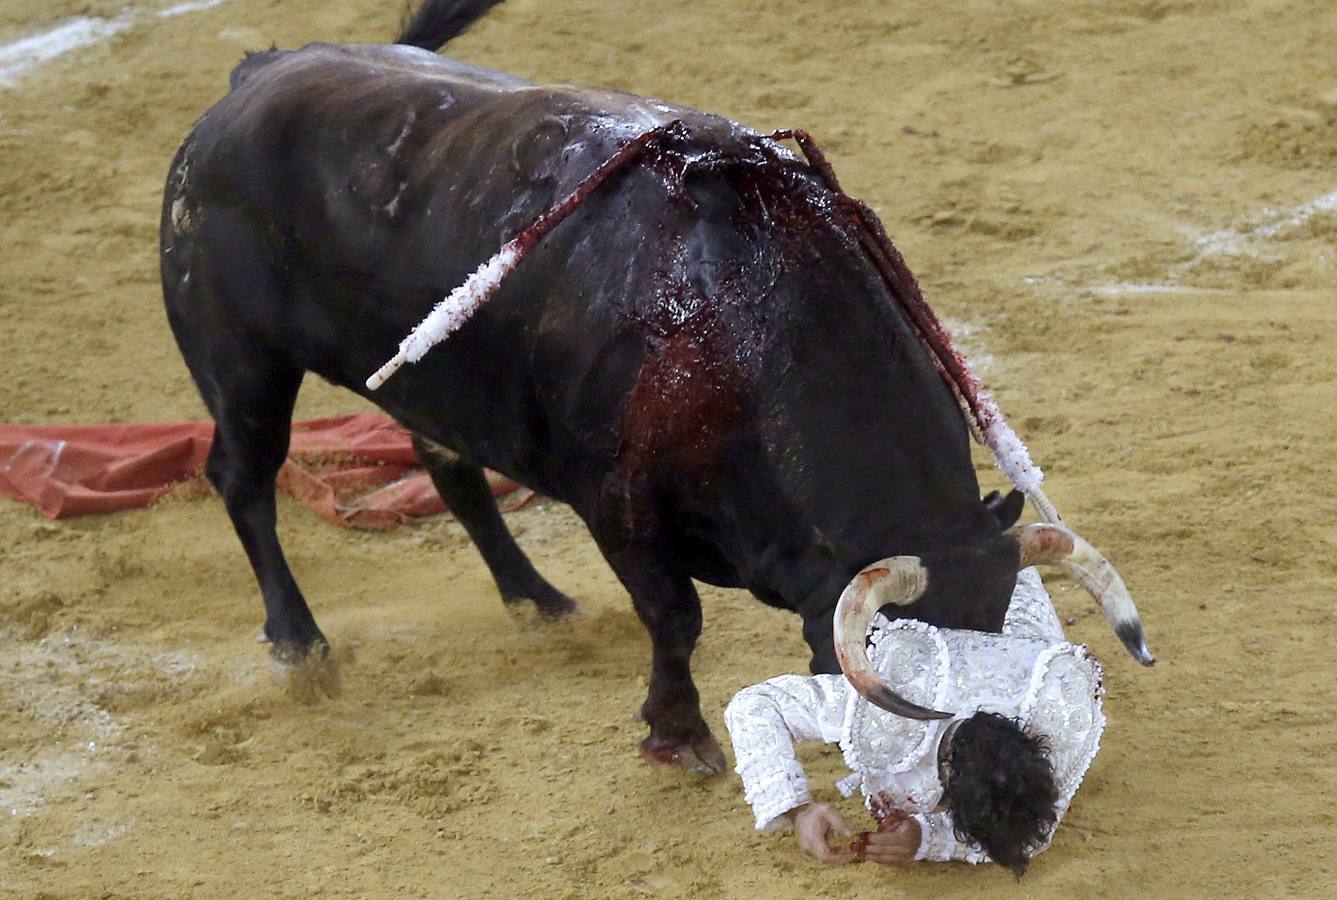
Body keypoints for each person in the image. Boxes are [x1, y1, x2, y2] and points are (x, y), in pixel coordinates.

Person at [723, 567, 1105, 876]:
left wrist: (924, 836)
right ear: (947, 773)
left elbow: (1034, 833)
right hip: (951, 584)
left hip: (1015, 604)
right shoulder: (894, 694)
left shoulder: (1060, 709)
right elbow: (755, 705)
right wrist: (797, 809)